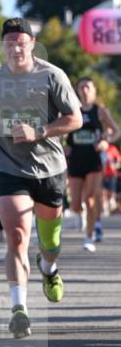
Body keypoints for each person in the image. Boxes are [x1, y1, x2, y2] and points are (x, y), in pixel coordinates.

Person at [0, 17, 82, 339]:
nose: (16, 48)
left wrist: (41, 131)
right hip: (9, 167)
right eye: (9, 43)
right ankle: (19, 310)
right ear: (2, 46)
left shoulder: (51, 75)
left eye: (21, 43)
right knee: (16, 236)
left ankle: (49, 268)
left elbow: (75, 119)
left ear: (31, 44)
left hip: (50, 169)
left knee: (51, 243)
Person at [66, 77, 119, 252]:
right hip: (75, 160)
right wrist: (63, 146)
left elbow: (115, 131)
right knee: (75, 203)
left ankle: (89, 238)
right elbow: (60, 130)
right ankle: (79, 214)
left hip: (94, 160)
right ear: (77, 91)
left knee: (90, 199)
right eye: (81, 87)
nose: (84, 90)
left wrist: (106, 141)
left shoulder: (100, 111)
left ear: (94, 90)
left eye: (88, 87)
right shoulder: (71, 110)